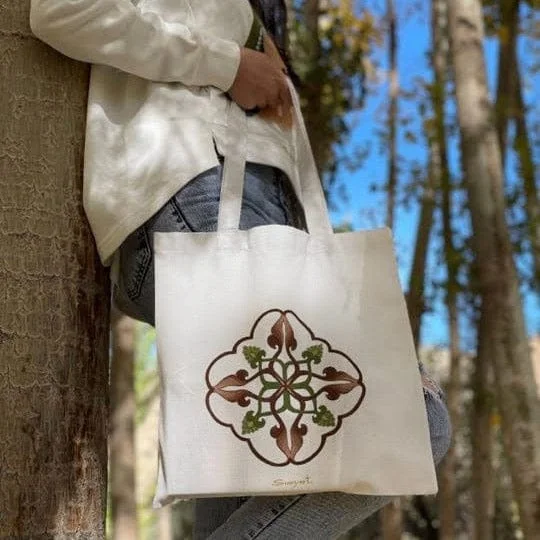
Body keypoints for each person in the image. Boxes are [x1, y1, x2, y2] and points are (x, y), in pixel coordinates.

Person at [29, 0, 451, 538]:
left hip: (251, 215)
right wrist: (227, 66)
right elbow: (63, 11)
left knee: (257, 476)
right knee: (413, 416)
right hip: (196, 196)